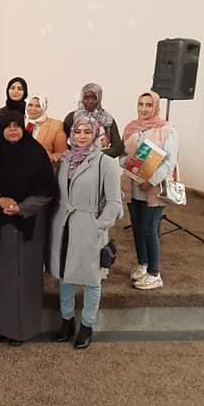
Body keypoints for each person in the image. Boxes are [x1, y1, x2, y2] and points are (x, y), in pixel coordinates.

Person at [0, 112, 56, 345]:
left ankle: (20, 331)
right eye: (7, 126)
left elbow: (47, 190)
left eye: (17, 125)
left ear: (23, 128)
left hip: (27, 226)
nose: (12, 129)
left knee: (22, 280)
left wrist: (22, 207)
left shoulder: (36, 153)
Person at [49, 116, 122, 349]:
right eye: (77, 131)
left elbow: (114, 203)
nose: (81, 136)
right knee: (64, 274)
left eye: (87, 132)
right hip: (64, 225)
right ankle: (67, 320)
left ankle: (87, 325)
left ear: (96, 135)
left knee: (92, 279)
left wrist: (98, 225)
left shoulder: (106, 163)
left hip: (89, 226)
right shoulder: (65, 160)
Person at [121, 91, 179, 290]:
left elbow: (170, 162)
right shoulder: (130, 128)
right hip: (133, 187)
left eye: (148, 105)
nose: (144, 109)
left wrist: (151, 180)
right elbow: (123, 155)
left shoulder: (166, 130)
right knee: (137, 228)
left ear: (155, 107)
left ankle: (155, 274)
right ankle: (143, 264)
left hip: (153, 190)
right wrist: (128, 163)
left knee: (149, 229)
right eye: (141, 104)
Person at [63, 83, 124, 158]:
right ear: (82, 99)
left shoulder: (107, 119)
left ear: (99, 98)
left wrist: (96, 155)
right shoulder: (72, 117)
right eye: (86, 98)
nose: (90, 101)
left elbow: (118, 147)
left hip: (101, 160)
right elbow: (61, 142)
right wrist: (77, 154)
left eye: (93, 98)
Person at [25, 94, 68, 164]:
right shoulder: (19, 122)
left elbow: (63, 154)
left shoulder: (55, 125)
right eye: (30, 105)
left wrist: (49, 157)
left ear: (44, 108)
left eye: (38, 106)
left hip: (41, 167)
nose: (33, 108)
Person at [0, 77, 28, 146]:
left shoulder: (29, 111)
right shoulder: (1, 112)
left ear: (25, 92)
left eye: (20, 89)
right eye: (12, 88)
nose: (16, 91)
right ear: (8, 91)